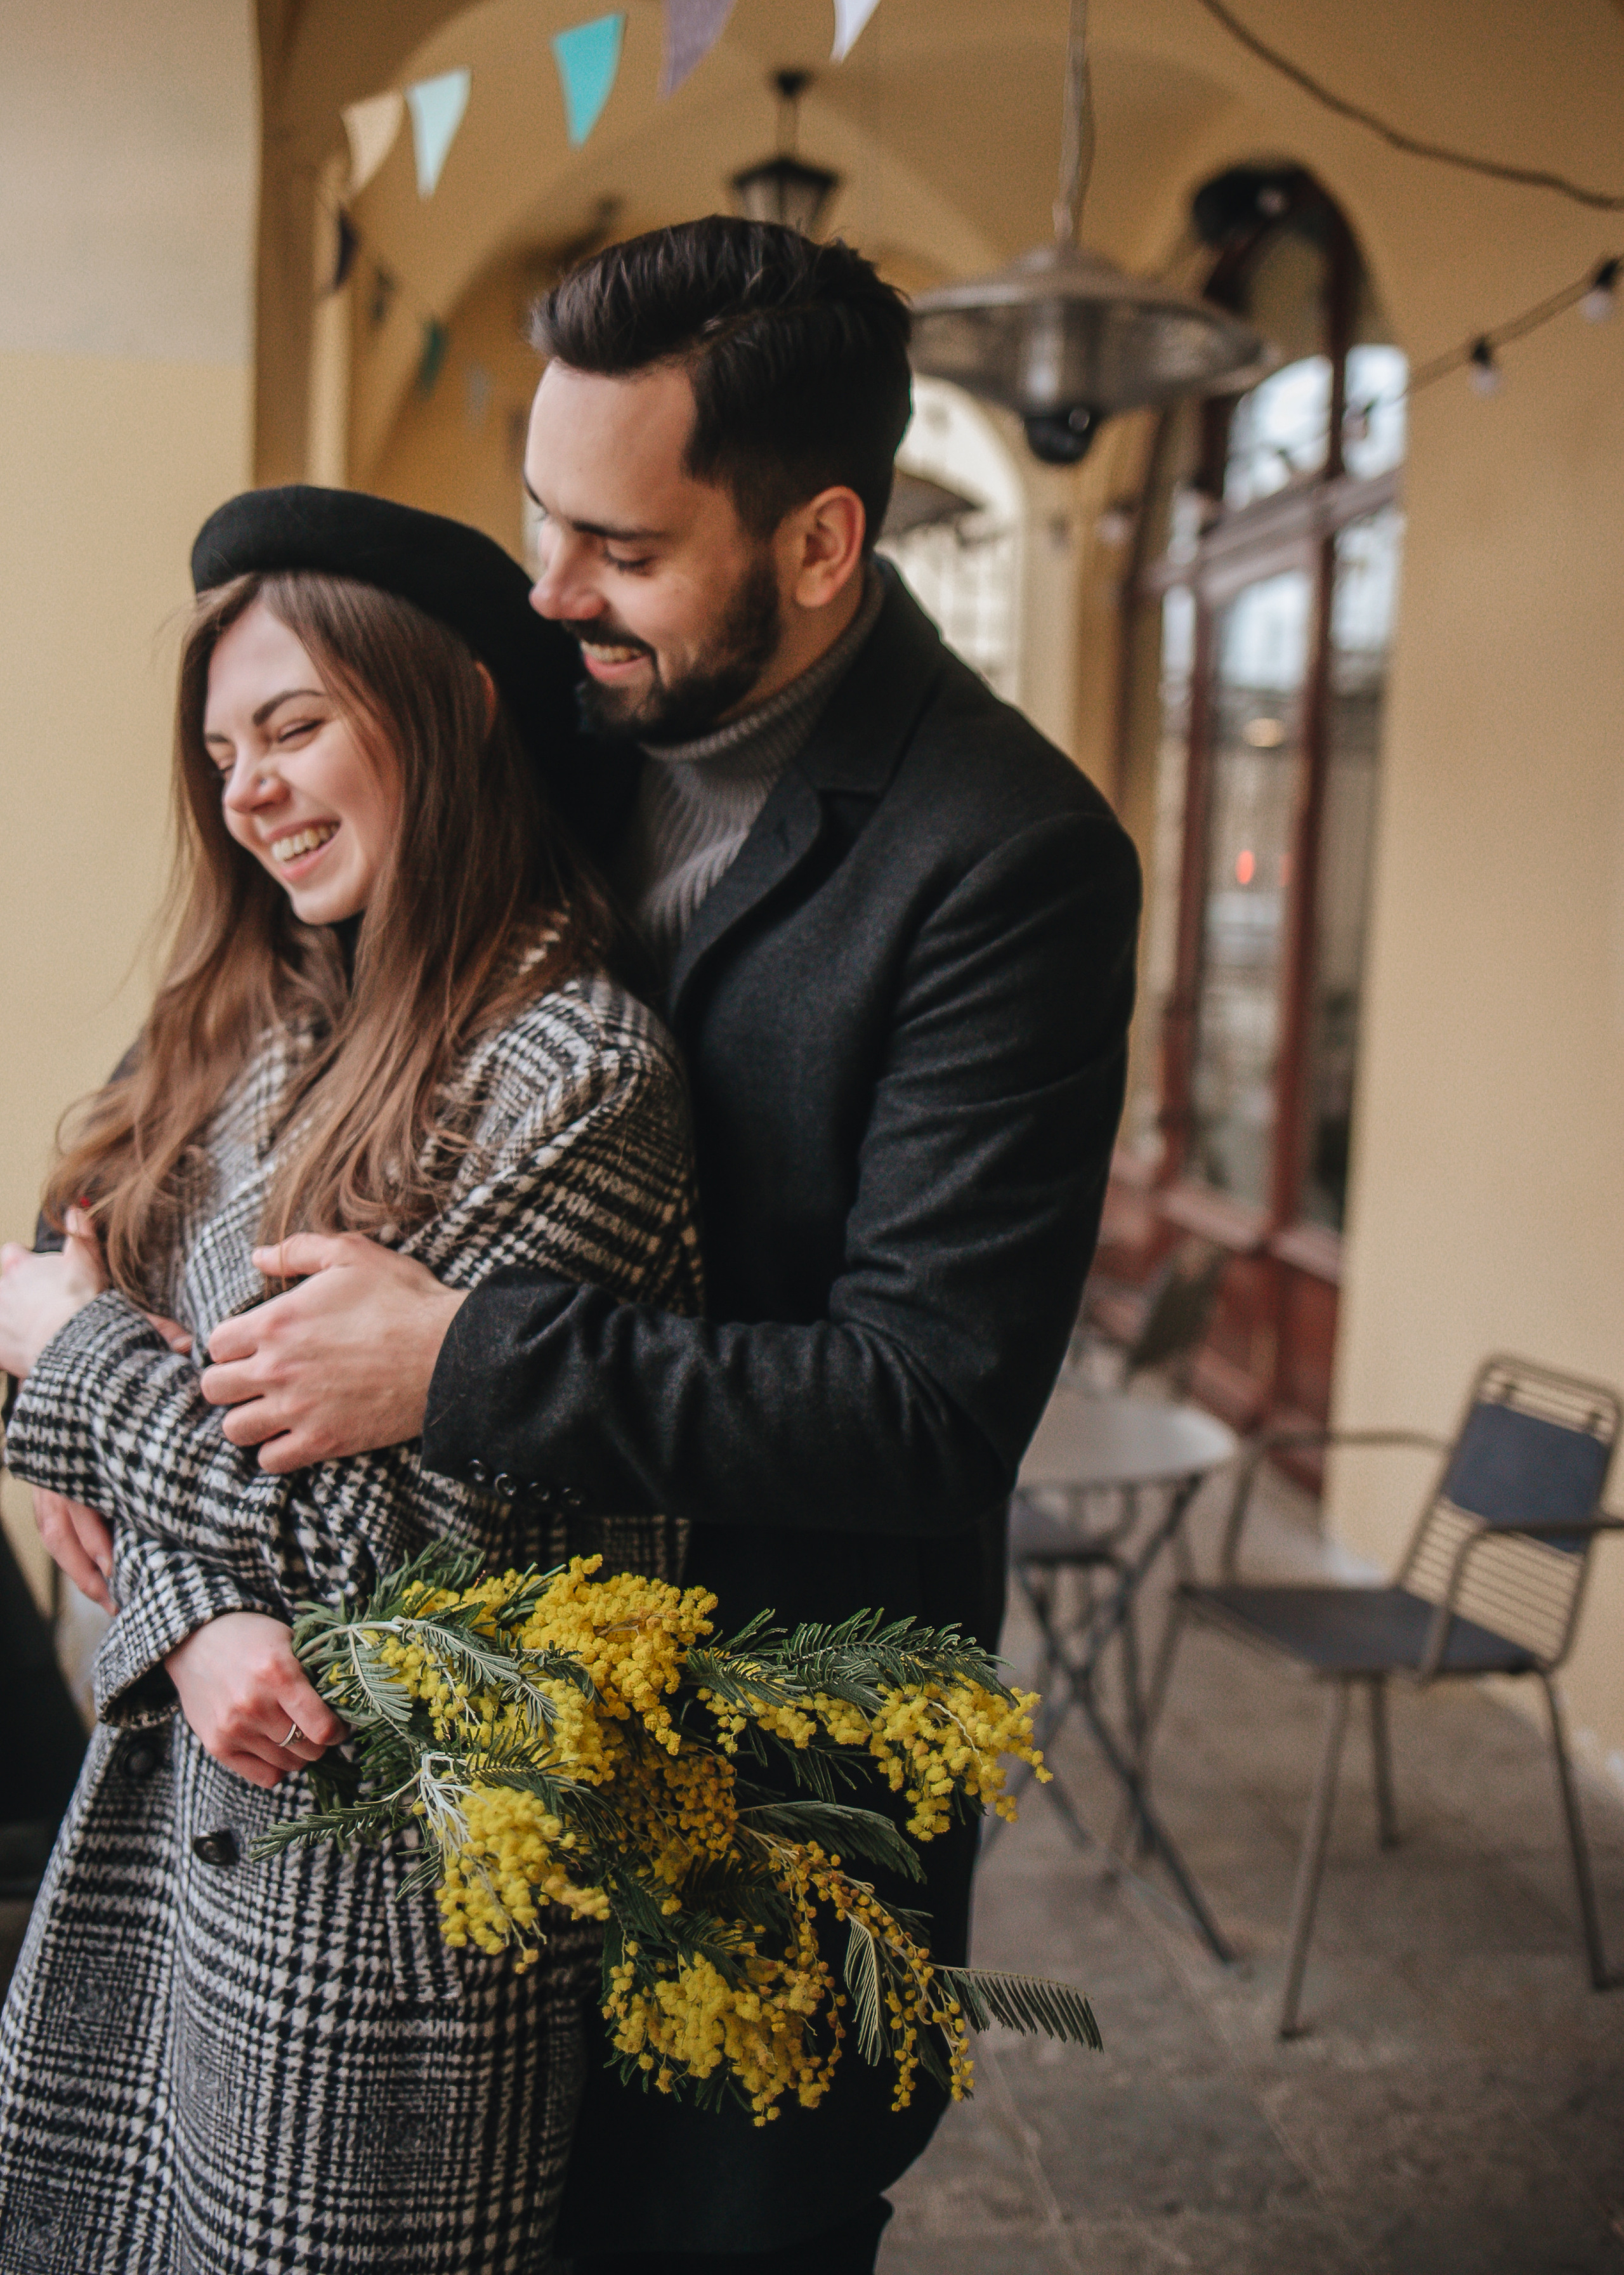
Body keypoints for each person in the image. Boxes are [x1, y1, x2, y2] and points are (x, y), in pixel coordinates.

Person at [30, 218, 1141, 2273]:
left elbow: (927, 1407)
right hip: (419, 1805)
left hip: (731, 1828)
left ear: (818, 544)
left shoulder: (1008, 857)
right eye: (544, 521)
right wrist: (106, 1417)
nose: (551, 596)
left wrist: (451, 1361)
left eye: (619, 548)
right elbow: (203, 1086)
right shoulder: (554, 717)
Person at [0, 496, 701, 2275]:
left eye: (295, 726)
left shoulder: (576, 1071)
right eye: (225, 750)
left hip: (373, 1937)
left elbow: (407, 1561)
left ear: (456, 704)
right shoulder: (276, 1020)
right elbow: (156, 1400)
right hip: (164, 1845)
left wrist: (75, 1363)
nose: (248, 790)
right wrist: (188, 1616)